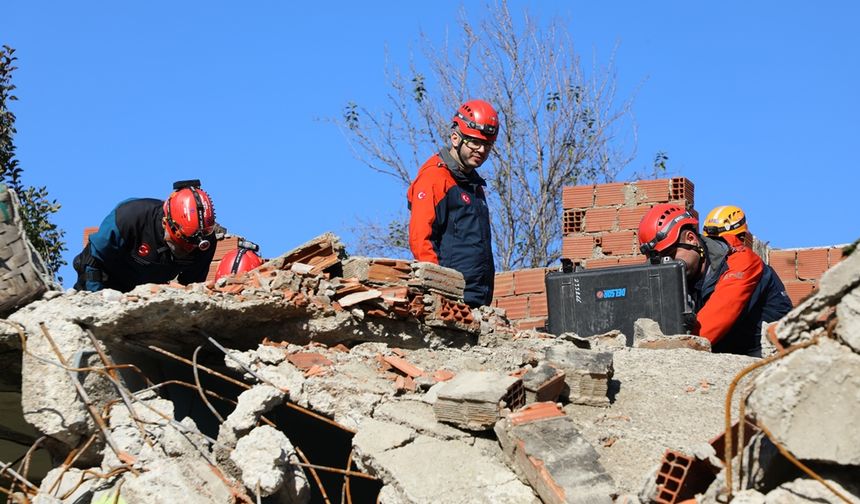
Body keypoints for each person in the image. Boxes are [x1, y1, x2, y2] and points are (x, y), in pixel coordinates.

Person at [637, 203, 792, 357]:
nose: (666, 264)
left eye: (669, 255)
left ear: (691, 239)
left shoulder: (741, 263)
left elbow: (705, 332)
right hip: (726, 356)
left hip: (771, 358)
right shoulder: (683, 275)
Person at [407, 99, 499, 307]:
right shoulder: (434, 178)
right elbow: (420, 239)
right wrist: (439, 291)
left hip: (478, 299)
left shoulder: (472, 184)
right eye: (475, 142)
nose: (481, 150)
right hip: (450, 300)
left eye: (488, 145)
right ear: (456, 138)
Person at [73, 180, 218, 292]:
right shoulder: (129, 218)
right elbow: (92, 260)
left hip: (143, 292)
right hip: (106, 281)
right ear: (166, 222)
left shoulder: (204, 243)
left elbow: (191, 287)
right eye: (181, 244)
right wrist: (97, 299)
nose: (188, 250)